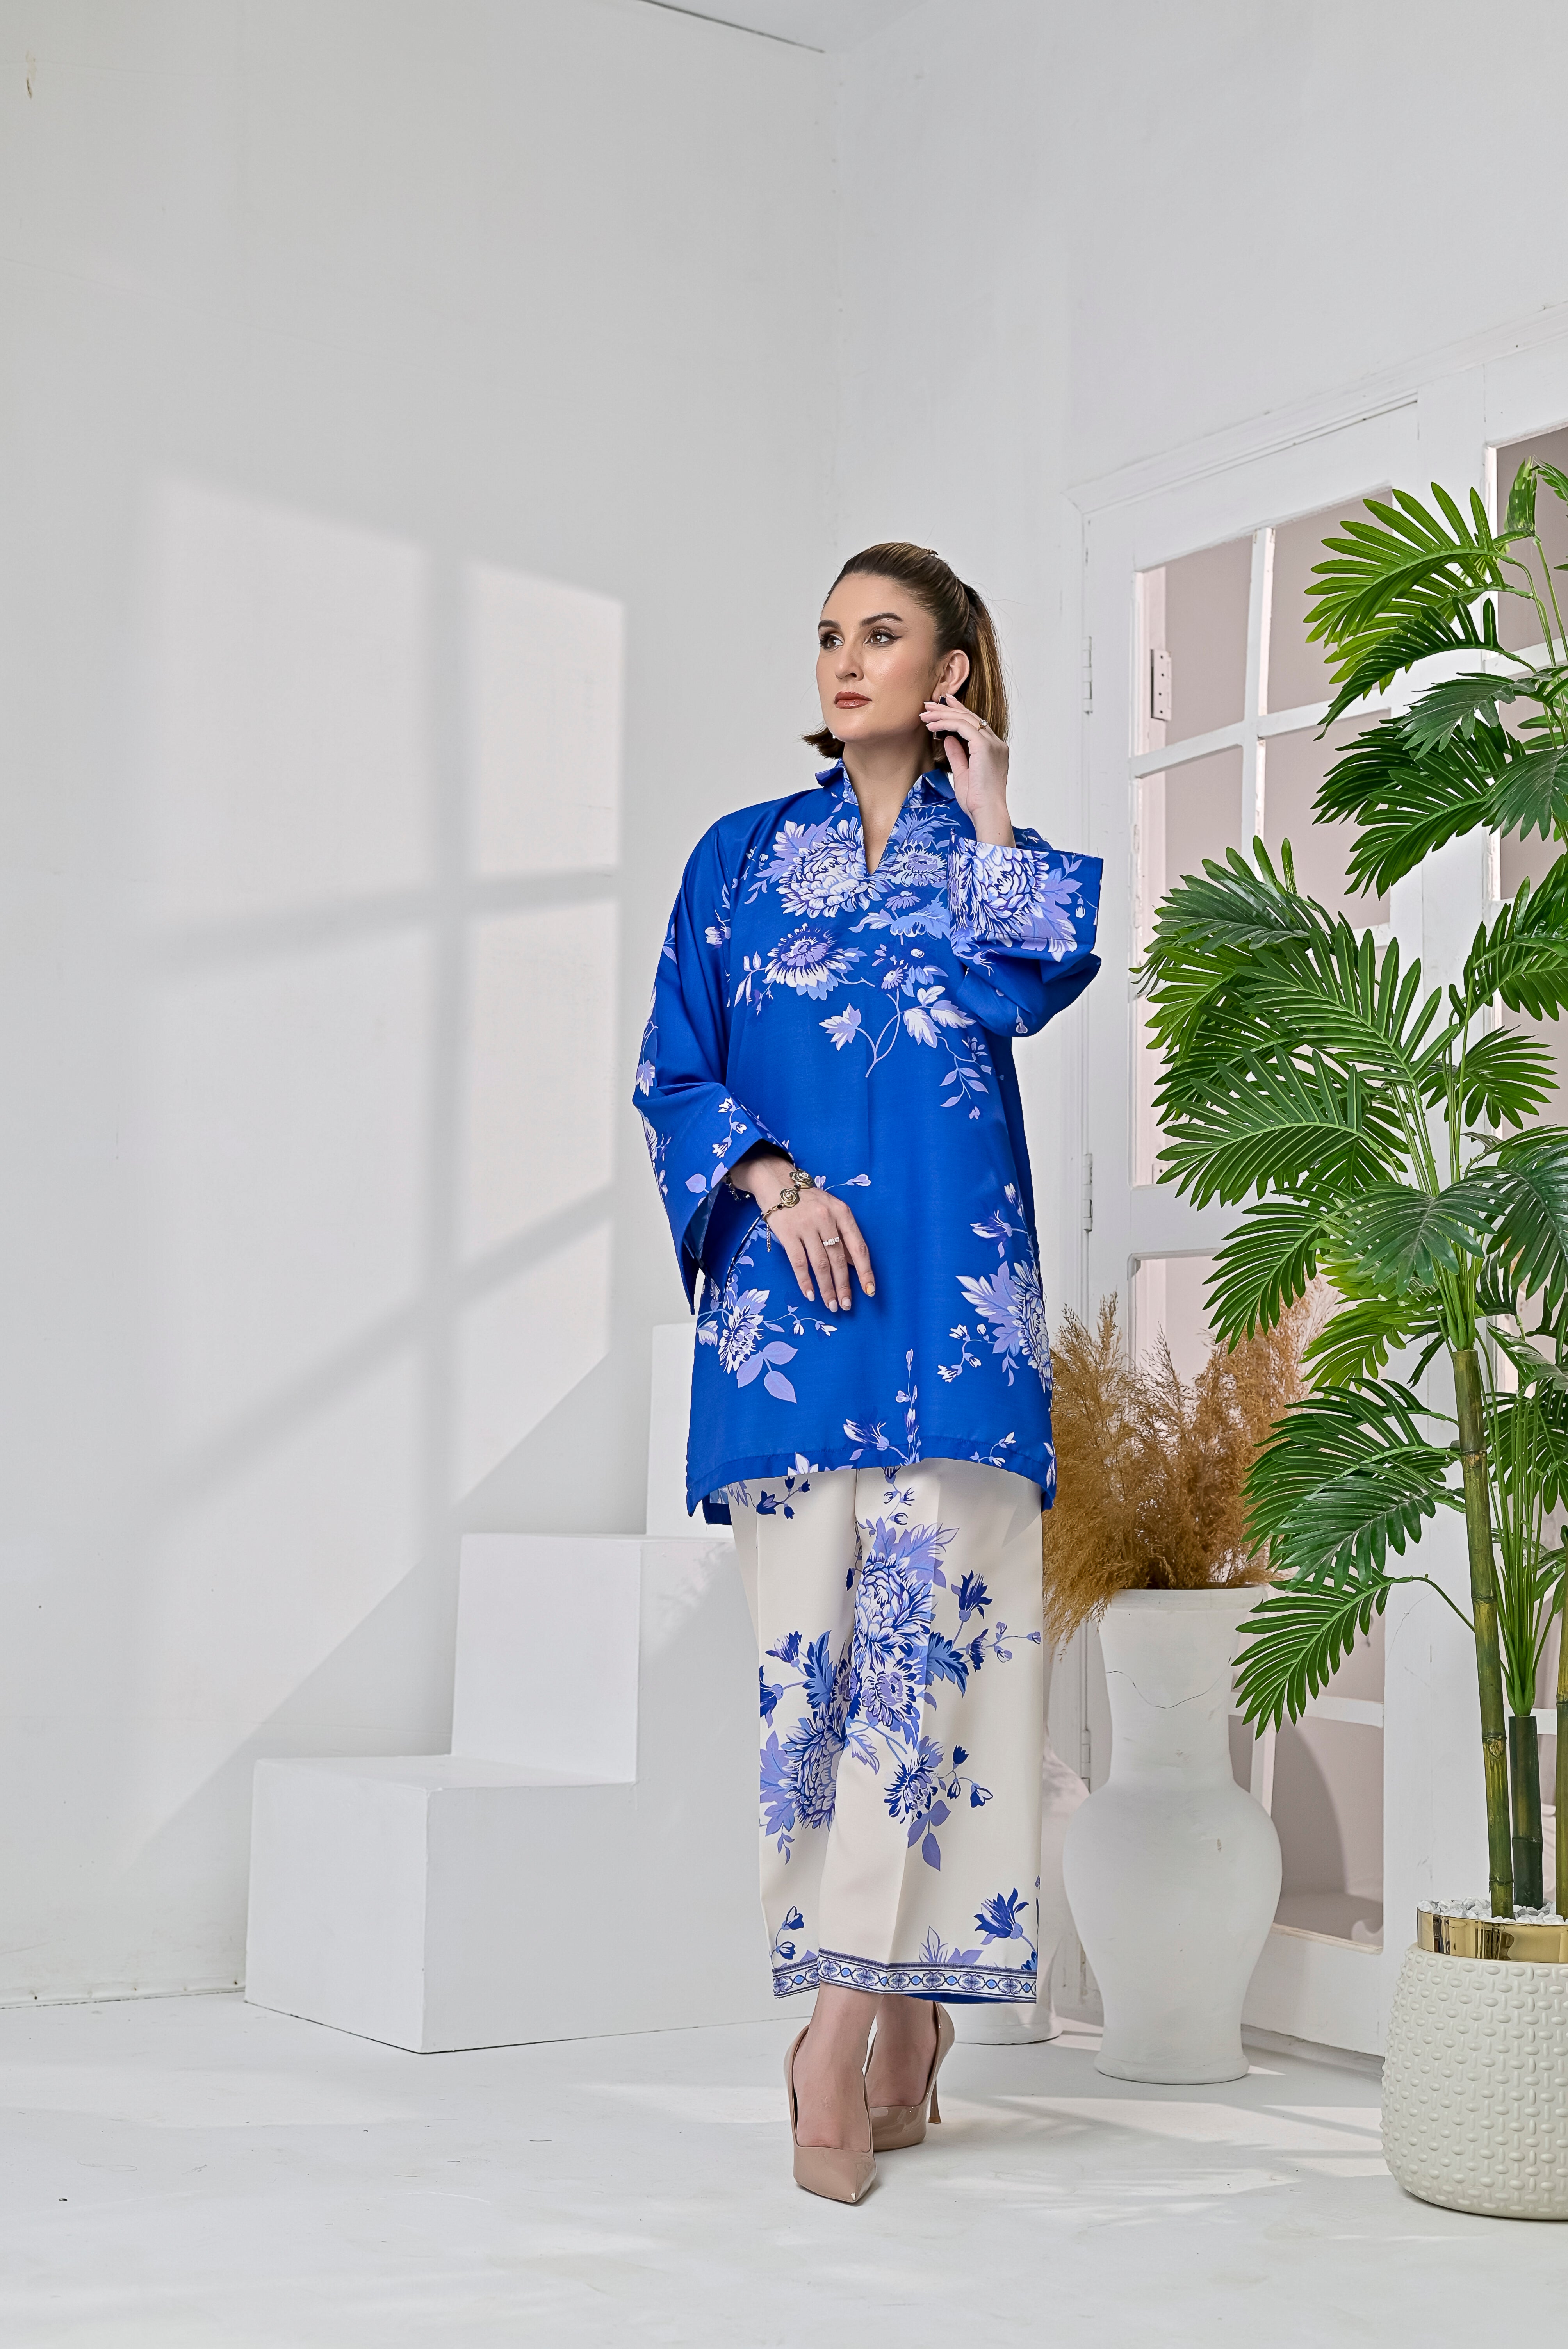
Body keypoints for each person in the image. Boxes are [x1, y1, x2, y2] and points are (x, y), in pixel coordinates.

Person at [634, 542, 1101, 2201]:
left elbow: (1031, 984)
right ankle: (900, 2022)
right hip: (795, 1329)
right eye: (829, 633)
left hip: (957, 1325)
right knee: (814, 1692)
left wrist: (991, 811)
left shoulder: (998, 862)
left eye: (882, 634)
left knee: (935, 1686)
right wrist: (771, 1183)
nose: (844, 660)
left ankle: (834, 2038)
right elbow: (674, 1066)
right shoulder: (740, 858)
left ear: (947, 668)